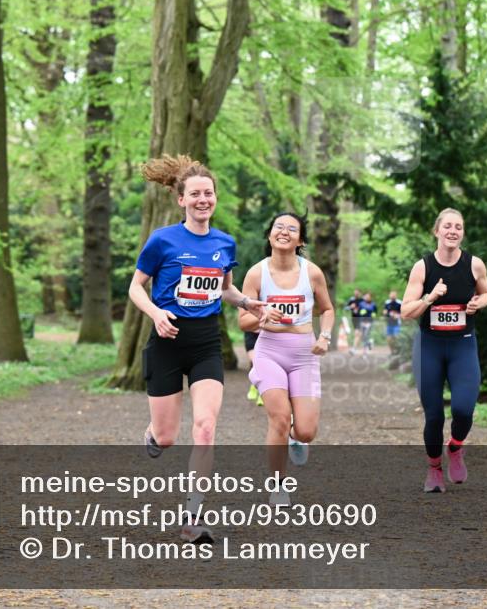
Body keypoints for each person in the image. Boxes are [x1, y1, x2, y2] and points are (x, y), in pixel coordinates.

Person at [129, 154, 268, 545]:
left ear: (215, 199)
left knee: (205, 429)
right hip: (168, 341)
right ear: (182, 200)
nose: (202, 199)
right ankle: (154, 433)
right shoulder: (162, 241)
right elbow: (135, 287)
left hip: (206, 341)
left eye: (208, 193)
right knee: (169, 436)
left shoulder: (225, 242)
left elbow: (224, 288)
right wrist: (156, 313)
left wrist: (247, 303)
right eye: (195, 194)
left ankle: (193, 516)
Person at [239, 213, 334, 506]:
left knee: (306, 431)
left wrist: (325, 337)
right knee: (279, 418)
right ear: (269, 235)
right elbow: (243, 320)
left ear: (300, 239)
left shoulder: (312, 273)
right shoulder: (256, 274)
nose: (284, 231)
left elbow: (327, 309)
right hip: (269, 351)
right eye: (278, 226)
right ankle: (278, 486)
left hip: (303, 353)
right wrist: (261, 317)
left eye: (292, 229)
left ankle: (295, 436)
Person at [401, 208, 487, 493]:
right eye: (448, 226)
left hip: (463, 344)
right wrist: (430, 297)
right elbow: (406, 311)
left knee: (464, 410)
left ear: (462, 232)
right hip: (430, 346)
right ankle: (434, 470)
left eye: (458, 227)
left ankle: (455, 448)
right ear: (437, 231)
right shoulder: (423, 267)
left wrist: (480, 302)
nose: (453, 231)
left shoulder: (474, 265)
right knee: (434, 416)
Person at [243, 330, 263, 406]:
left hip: (267, 338)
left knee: (264, 366)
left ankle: (262, 394)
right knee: (256, 364)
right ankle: (254, 386)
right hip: (251, 337)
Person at [346, 288, 363, 353]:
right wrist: (350, 307)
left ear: (359, 293)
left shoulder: (362, 300)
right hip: (354, 319)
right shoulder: (351, 299)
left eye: (357, 292)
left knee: (357, 334)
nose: (356, 293)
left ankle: (354, 349)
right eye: (355, 292)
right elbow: (346, 307)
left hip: (361, 318)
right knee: (359, 334)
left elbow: (367, 309)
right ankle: (368, 342)